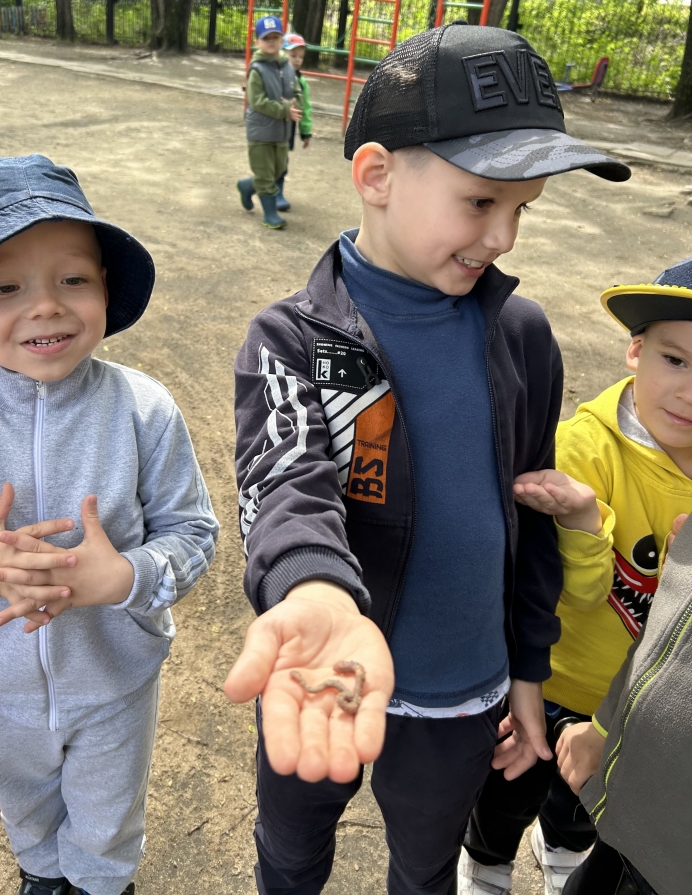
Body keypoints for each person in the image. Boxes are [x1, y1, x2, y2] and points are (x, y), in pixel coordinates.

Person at [225, 23, 630, 895]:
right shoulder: (290, 339)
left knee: (425, 865)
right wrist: (316, 591)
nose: (505, 236)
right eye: (481, 202)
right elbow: (285, 481)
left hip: (464, 691)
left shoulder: (523, 336)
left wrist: (529, 670)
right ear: (376, 174)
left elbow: (529, 519)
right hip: (326, 672)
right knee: (291, 850)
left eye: (523, 209)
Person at [0, 154, 219, 895]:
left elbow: (193, 533)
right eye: (6, 287)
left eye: (72, 279)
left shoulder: (144, 409)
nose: (45, 307)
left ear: (105, 286)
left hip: (115, 680)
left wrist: (127, 576)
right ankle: (40, 874)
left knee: (107, 819)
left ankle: (102, 883)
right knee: (27, 807)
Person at [464, 260, 692, 895]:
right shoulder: (585, 451)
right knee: (509, 786)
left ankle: (561, 844)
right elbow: (574, 591)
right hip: (554, 675)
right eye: (676, 360)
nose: (690, 392)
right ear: (635, 350)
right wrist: (586, 521)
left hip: (633, 701)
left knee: (586, 801)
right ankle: (485, 860)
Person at [236, 15, 302, 230]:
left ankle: (247, 186)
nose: (271, 42)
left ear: (282, 40)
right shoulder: (257, 69)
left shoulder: (287, 66)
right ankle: (270, 214)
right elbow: (257, 101)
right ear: (258, 42)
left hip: (281, 131)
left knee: (277, 170)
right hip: (261, 131)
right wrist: (284, 109)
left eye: (275, 37)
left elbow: (296, 91)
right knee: (265, 175)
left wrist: (297, 104)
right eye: (266, 38)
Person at [274, 33, 313, 213]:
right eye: (293, 55)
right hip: (270, 126)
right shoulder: (272, 74)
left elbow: (305, 108)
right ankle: (258, 187)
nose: (297, 60)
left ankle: (277, 192)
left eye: (301, 57)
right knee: (268, 160)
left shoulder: (301, 81)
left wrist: (306, 132)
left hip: (288, 128)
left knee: (282, 160)